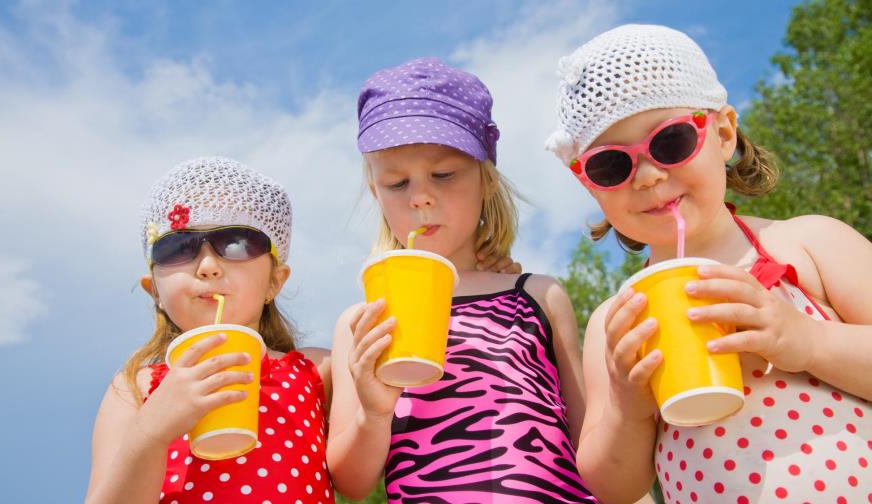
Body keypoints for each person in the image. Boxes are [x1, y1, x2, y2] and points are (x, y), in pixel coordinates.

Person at [545, 24, 872, 503]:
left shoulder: (808, 242)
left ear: (722, 133)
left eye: (671, 141)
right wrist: (628, 409)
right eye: (611, 165)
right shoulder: (617, 323)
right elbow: (610, 488)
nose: (648, 176)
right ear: (591, 187)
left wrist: (808, 340)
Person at [327, 57, 596, 503]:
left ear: (486, 179)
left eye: (443, 174)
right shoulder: (360, 324)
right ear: (376, 192)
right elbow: (351, 484)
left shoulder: (537, 295)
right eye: (396, 183)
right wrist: (373, 414)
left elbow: (593, 446)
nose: (420, 197)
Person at [85, 157, 334, 504]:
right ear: (154, 291)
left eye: (237, 243)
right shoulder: (135, 387)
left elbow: (365, 467)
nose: (207, 267)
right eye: (177, 248)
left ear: (274, 282)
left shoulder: (318, 371)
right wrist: (149, 433)